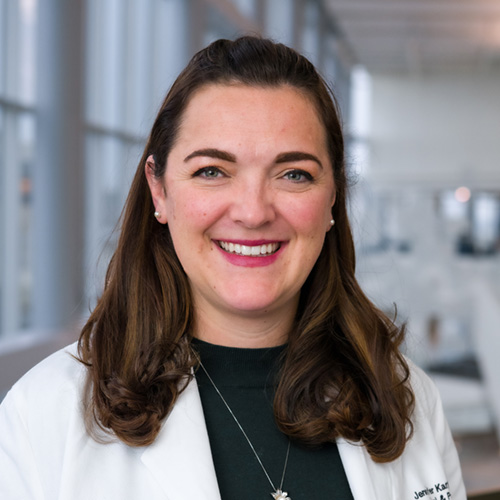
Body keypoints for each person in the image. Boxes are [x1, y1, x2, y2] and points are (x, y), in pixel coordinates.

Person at [0, 36, 465, 500]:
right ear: (159, 191)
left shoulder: (407, 397)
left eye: (294, 174)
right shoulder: (42, 413)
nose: (253, 212)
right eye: (212, 171)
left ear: (333, 199)